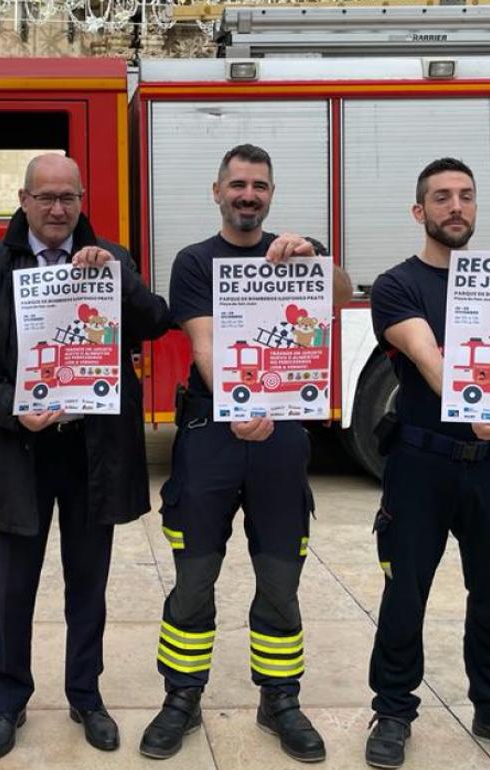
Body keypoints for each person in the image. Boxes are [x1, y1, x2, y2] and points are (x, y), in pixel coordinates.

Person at [0, 153, 171, 759]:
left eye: (67, 197)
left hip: (91, 452)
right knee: (14, 586)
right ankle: (7, 702)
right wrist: (9, 407)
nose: (56, 208)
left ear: (82, 199)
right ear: (22, 200)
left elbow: (156, 322)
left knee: (88, 586)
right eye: (44, 197)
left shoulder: (112, 259)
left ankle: (85, 695)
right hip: (20, 448)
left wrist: (118, 280)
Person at [139, 144, 352, 763]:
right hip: (211, 435)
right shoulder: (194, 261)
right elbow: (204, 343)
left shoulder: (298, 251)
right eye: (238, 184)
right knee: (194, 577)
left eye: (259, 184)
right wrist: (241, 403)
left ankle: (280, 699)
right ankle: (181, 697)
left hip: (282, 440)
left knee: (281, 578)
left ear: (271, 194)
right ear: (217, 191)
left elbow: (340, 297)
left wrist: (316, 259)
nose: (248, 195)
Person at [364, 157, 490, 770]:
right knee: (405, 593)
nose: (456, 207)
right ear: (420, 212)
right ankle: (393, 712)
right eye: (441, 198)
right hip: (423, 463)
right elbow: (425, 354)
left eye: (466, 196)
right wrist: (472, 403)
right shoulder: (398, 285)